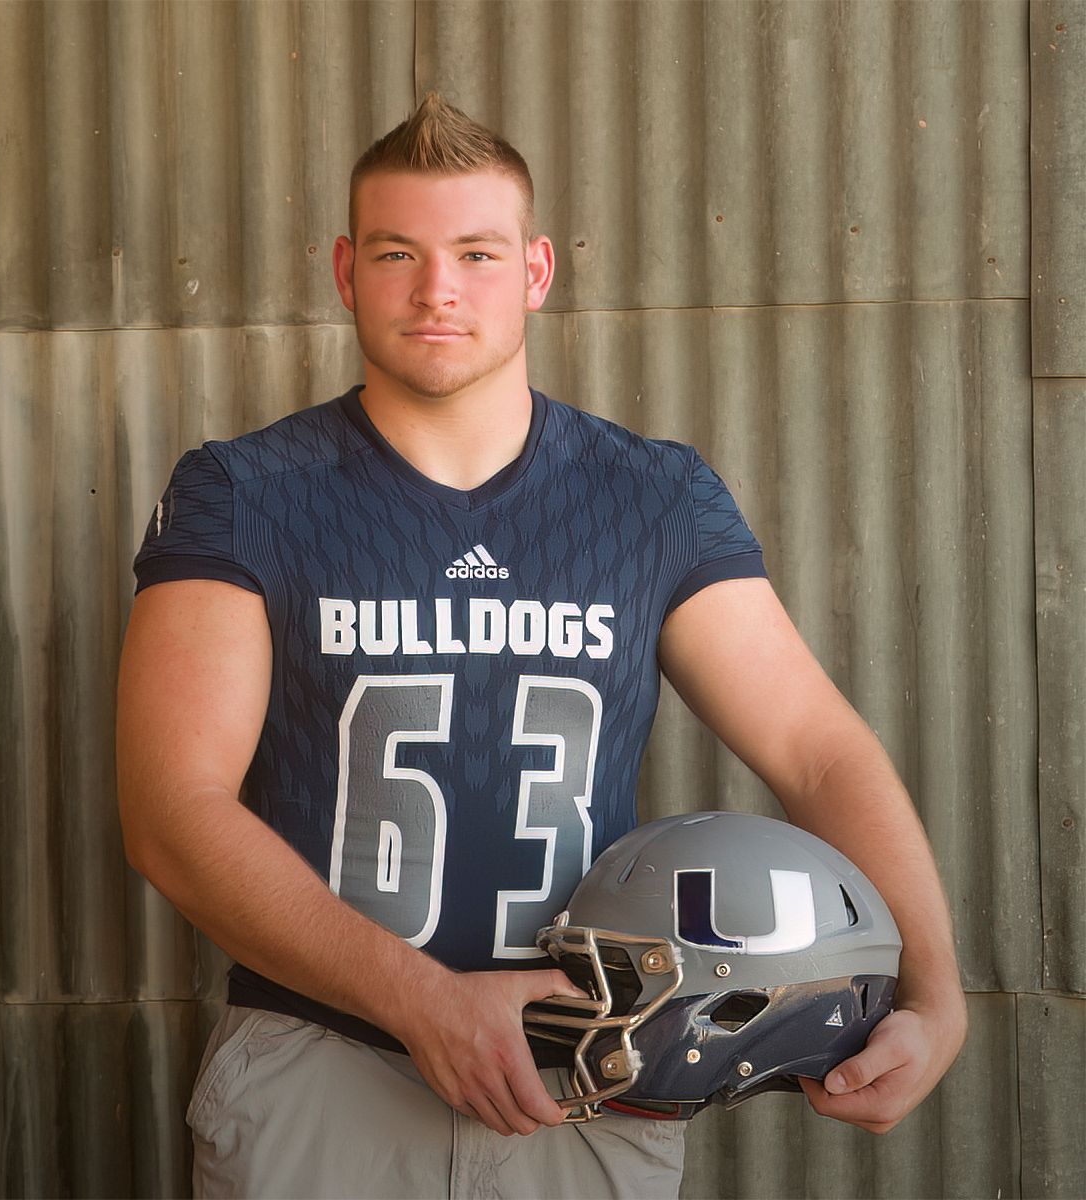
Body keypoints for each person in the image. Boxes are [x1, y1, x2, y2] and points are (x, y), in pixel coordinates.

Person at [115, 93, 966, 1198]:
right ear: (344, 271)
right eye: (396, 253)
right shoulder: (245, 494)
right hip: (322, 1068)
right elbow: (171, 812)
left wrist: (935, 996)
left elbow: (817, 750)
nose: (436, 289)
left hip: (590, 1073)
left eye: (475, 252)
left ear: (536, 271)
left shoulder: (651, 498)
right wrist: (425, 1003)